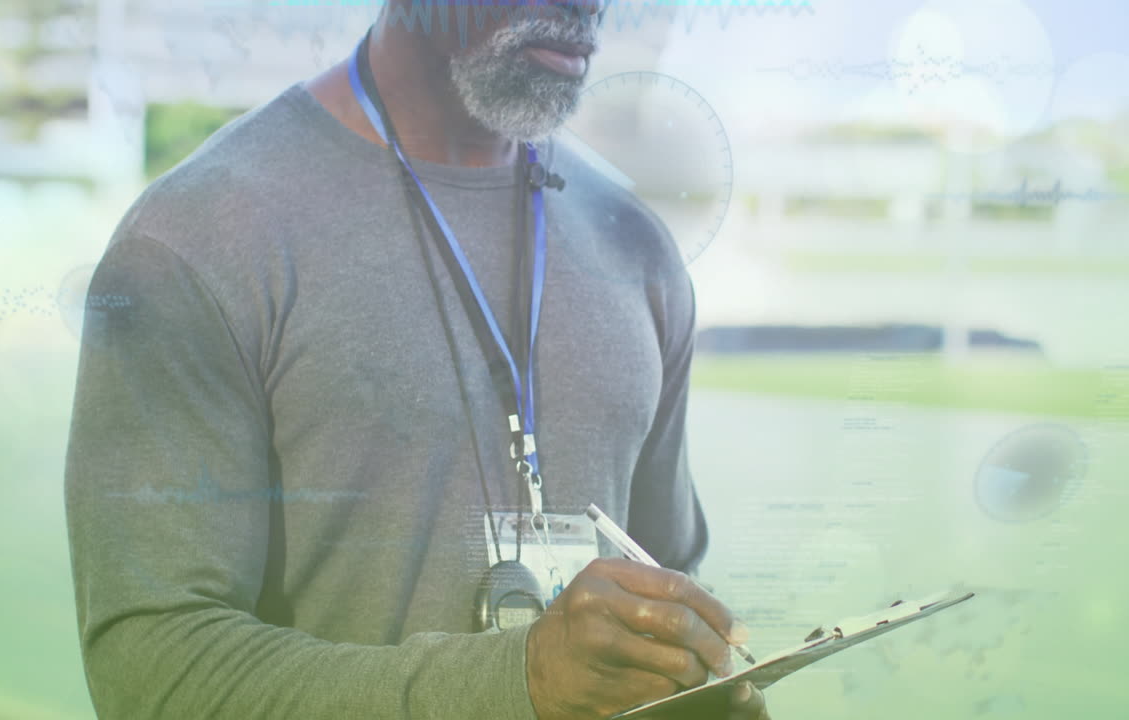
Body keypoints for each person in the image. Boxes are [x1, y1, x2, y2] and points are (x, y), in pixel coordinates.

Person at [63, 0, 771, 717]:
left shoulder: (637, 246)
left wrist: (698, 684)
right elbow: (152, 672)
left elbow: (671, 587)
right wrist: (516, 681)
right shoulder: (194, 241)